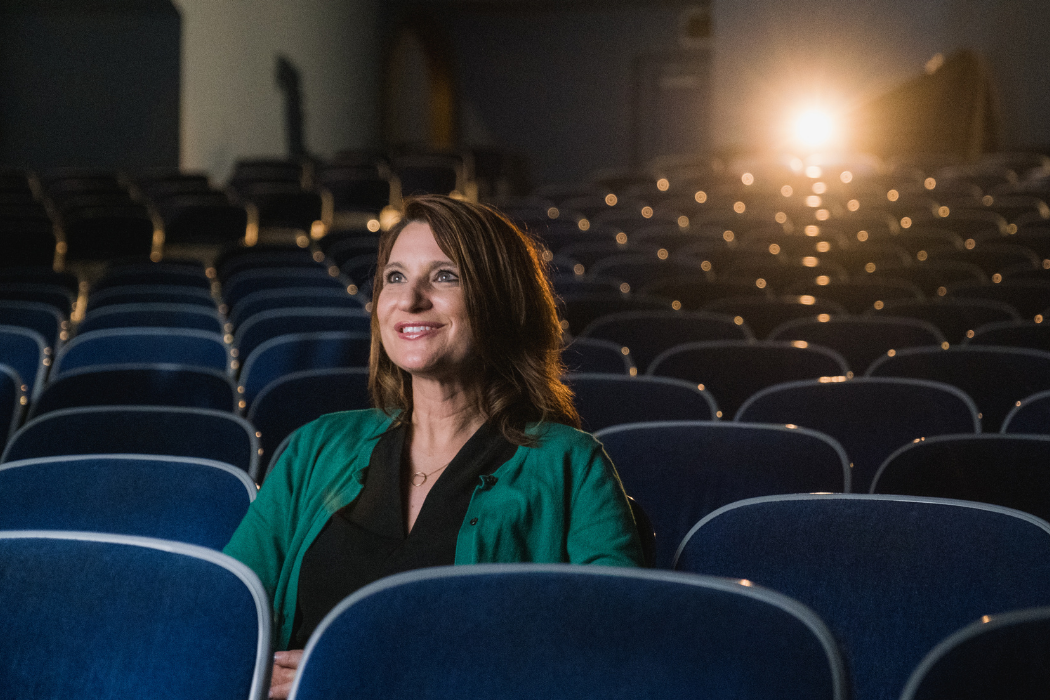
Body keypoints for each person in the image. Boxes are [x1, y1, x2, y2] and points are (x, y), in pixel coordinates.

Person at [223, 195, 644, 699]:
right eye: (395, 278)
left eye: (445, 276)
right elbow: (226, 617)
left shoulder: (570, 464)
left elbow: (613, 652)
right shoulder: (316, 447)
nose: (410, 299)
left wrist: (360, 673)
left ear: (501, 300)